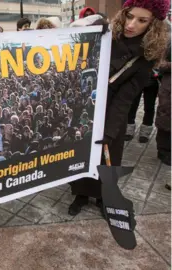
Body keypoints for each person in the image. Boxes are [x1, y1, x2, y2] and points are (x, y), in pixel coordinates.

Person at [68, 0, 170, 216]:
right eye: (130, 16)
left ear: (153, 25)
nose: (131, 25)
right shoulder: (106, 35)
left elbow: (127, 97)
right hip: (87, 106)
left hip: (113, 112)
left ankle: (104, 198)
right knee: (82, 154)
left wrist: (110, 130)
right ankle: (81, 194)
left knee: (108, 157)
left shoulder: (147, 55)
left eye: (142, 20)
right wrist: (89, 33)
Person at [124, 70, 160, 143]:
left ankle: (145, 133)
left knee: (149, 107)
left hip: (153, 81)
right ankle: (128, 129)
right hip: (138, 79)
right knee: (132, 105)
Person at [156, 40, 171, 170]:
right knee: (165, 118)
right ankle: (163, 150)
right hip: (168, 88)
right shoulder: (169, 42)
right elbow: (159, 64)